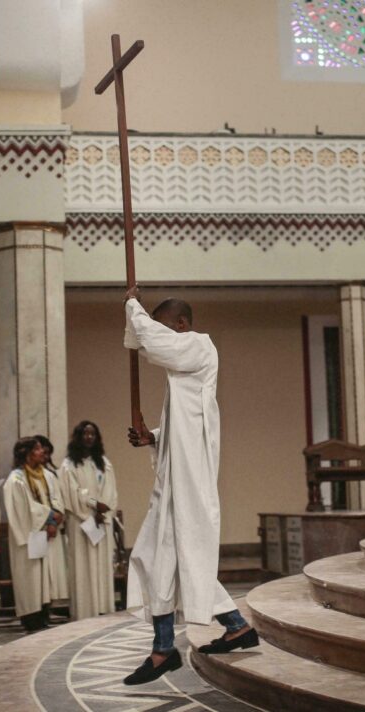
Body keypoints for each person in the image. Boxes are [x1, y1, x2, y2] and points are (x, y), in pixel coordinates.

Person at [121, 289, 258, 685]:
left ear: (182, 325)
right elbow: (183, 425)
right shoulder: (183, 374)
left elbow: (153, 343)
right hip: (177, 473)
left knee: (173, 556)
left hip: (190, 476)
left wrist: (133, 307)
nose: (161, 332)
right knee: (163, 558)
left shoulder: (199, 345)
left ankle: (167, 648)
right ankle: (226, 629)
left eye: (166, 326)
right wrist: (153, 437)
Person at [3, 437, 68, 632]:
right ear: (27, 454)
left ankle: (44, 613)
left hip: (47, 533)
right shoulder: (16, 479)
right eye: (38, 449)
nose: (42, 452)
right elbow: (23, 509)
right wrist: (49, 517)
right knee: (31, 578)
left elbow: (57, 499)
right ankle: (30, 619)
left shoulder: (47, 475)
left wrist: (55, 520)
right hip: (30, 535)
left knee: (45, 578)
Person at [60, 421, 119, 620]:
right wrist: (94, 505)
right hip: (81, 521)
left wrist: (104, 511)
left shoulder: (104, 463)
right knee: (83, 567)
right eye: (85, 434)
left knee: (101, 565)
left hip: (101, 521)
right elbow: (72, 492)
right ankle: (84, 611)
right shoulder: (69, 465)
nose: (89, 437)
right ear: (78, 437)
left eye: (92, 434)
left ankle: (103, 607)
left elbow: (111, 491)